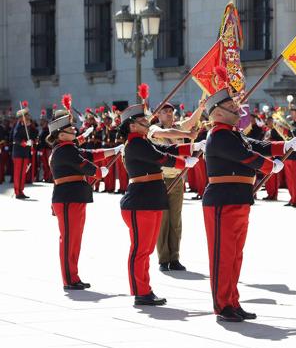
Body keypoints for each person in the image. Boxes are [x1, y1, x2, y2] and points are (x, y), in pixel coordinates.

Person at [201, 89, 296, 322]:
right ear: (217, 112)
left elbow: (257, 145)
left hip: (238, 198)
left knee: (235, 255)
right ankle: (222, 305)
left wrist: (285, 145)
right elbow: (246, 156)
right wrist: (269, 166)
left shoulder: (233, 134)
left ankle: (232, 301)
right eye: (231, 106)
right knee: (223, 256)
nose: (238, 109)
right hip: (223, 200)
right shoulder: (219, 135)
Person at [118, 103, 202, 306]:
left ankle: (145, 289)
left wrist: (192, 147)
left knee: (145, 250)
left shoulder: (143, 141)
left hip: (150, 200)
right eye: (143, 120)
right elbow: (161, 157)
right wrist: (183, 162)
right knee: (141, 250)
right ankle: (140, 292)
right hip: (140, 201)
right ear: (132, 125)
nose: (147, 122)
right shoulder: (136, 143)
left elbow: (166, 147)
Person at [47, 112, 123, 290]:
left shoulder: (69, 148)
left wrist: (113, 150)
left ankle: (73, 276)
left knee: (75, 239)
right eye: (70, 128)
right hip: (67, 198)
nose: (74, 130)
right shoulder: (64, 150)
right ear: (61, 134)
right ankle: (69, 279)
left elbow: (89, 154)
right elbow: (83, 164)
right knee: (68, 240)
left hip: (74, 197)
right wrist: (98, 172)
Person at [148, 101, 203, 272]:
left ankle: (175, 258)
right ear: (158, 115)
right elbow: (167, 133)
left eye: (171, 111)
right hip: (160, 179)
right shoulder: (153, 129)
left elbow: (192, 121)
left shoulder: (179, 126)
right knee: (163, 220)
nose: (169, 114)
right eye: (165, 111)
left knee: (176, 220)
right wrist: (187, 134)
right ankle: (163, 259)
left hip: (177, 178)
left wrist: (200, 107)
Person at [12, 106, 36, 199]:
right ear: (22, 117)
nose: (27, 117)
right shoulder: (18, 126)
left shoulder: (26, 126)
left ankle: (21, 191)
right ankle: (17, 192)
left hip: (24, 152)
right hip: (18, 152)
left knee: (22, 173)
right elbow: (16, 139)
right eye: (26, 116)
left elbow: (32, 135)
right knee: (18, 173)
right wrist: (25, 143)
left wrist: (31, 141)